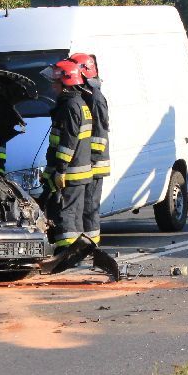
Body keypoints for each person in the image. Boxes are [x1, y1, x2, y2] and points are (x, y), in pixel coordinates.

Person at [39, 59, 92, 251]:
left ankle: (67, 255)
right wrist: (49, 173)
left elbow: (67, 144)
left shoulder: (70, 107)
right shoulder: (77, 103)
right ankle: (74, 252)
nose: (53, 86)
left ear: (66, 83)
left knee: (66, 215)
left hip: (70, 173)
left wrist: (61, 170)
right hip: (75, 171)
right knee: (73, 215)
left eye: (56, 82)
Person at [70, 52, 109, 244]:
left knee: (89, 207)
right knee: (82, 208)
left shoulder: (95, 98)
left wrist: (90, 159)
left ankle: (92, 247)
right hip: (88, 162)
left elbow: (99, 135)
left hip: (95, 164)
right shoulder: (86, 94)